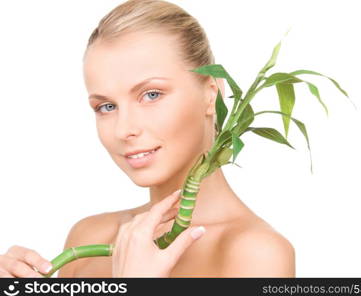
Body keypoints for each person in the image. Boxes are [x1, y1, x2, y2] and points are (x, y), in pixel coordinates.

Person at [0, 0, 295, 278]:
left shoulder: (256, 254)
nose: (123, 129)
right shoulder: (88, 239)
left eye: (151, 95)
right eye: (106, 106)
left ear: (211, 93)